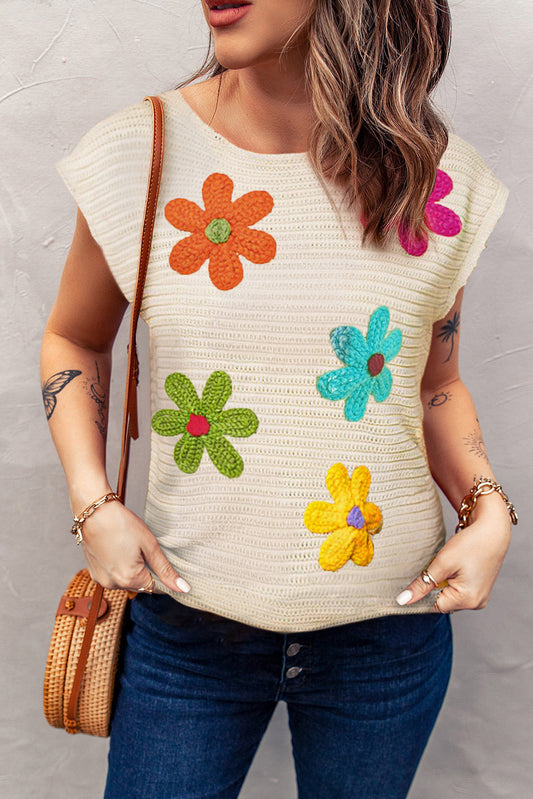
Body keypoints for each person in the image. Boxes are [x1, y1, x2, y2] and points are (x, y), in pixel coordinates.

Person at [41, 1, 517, 797]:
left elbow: (433, 383)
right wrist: (93, 505)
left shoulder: (435, 181)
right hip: (186, 628)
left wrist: (489, 507)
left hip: (387, 637)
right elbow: (74, 339)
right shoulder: (141, 152)